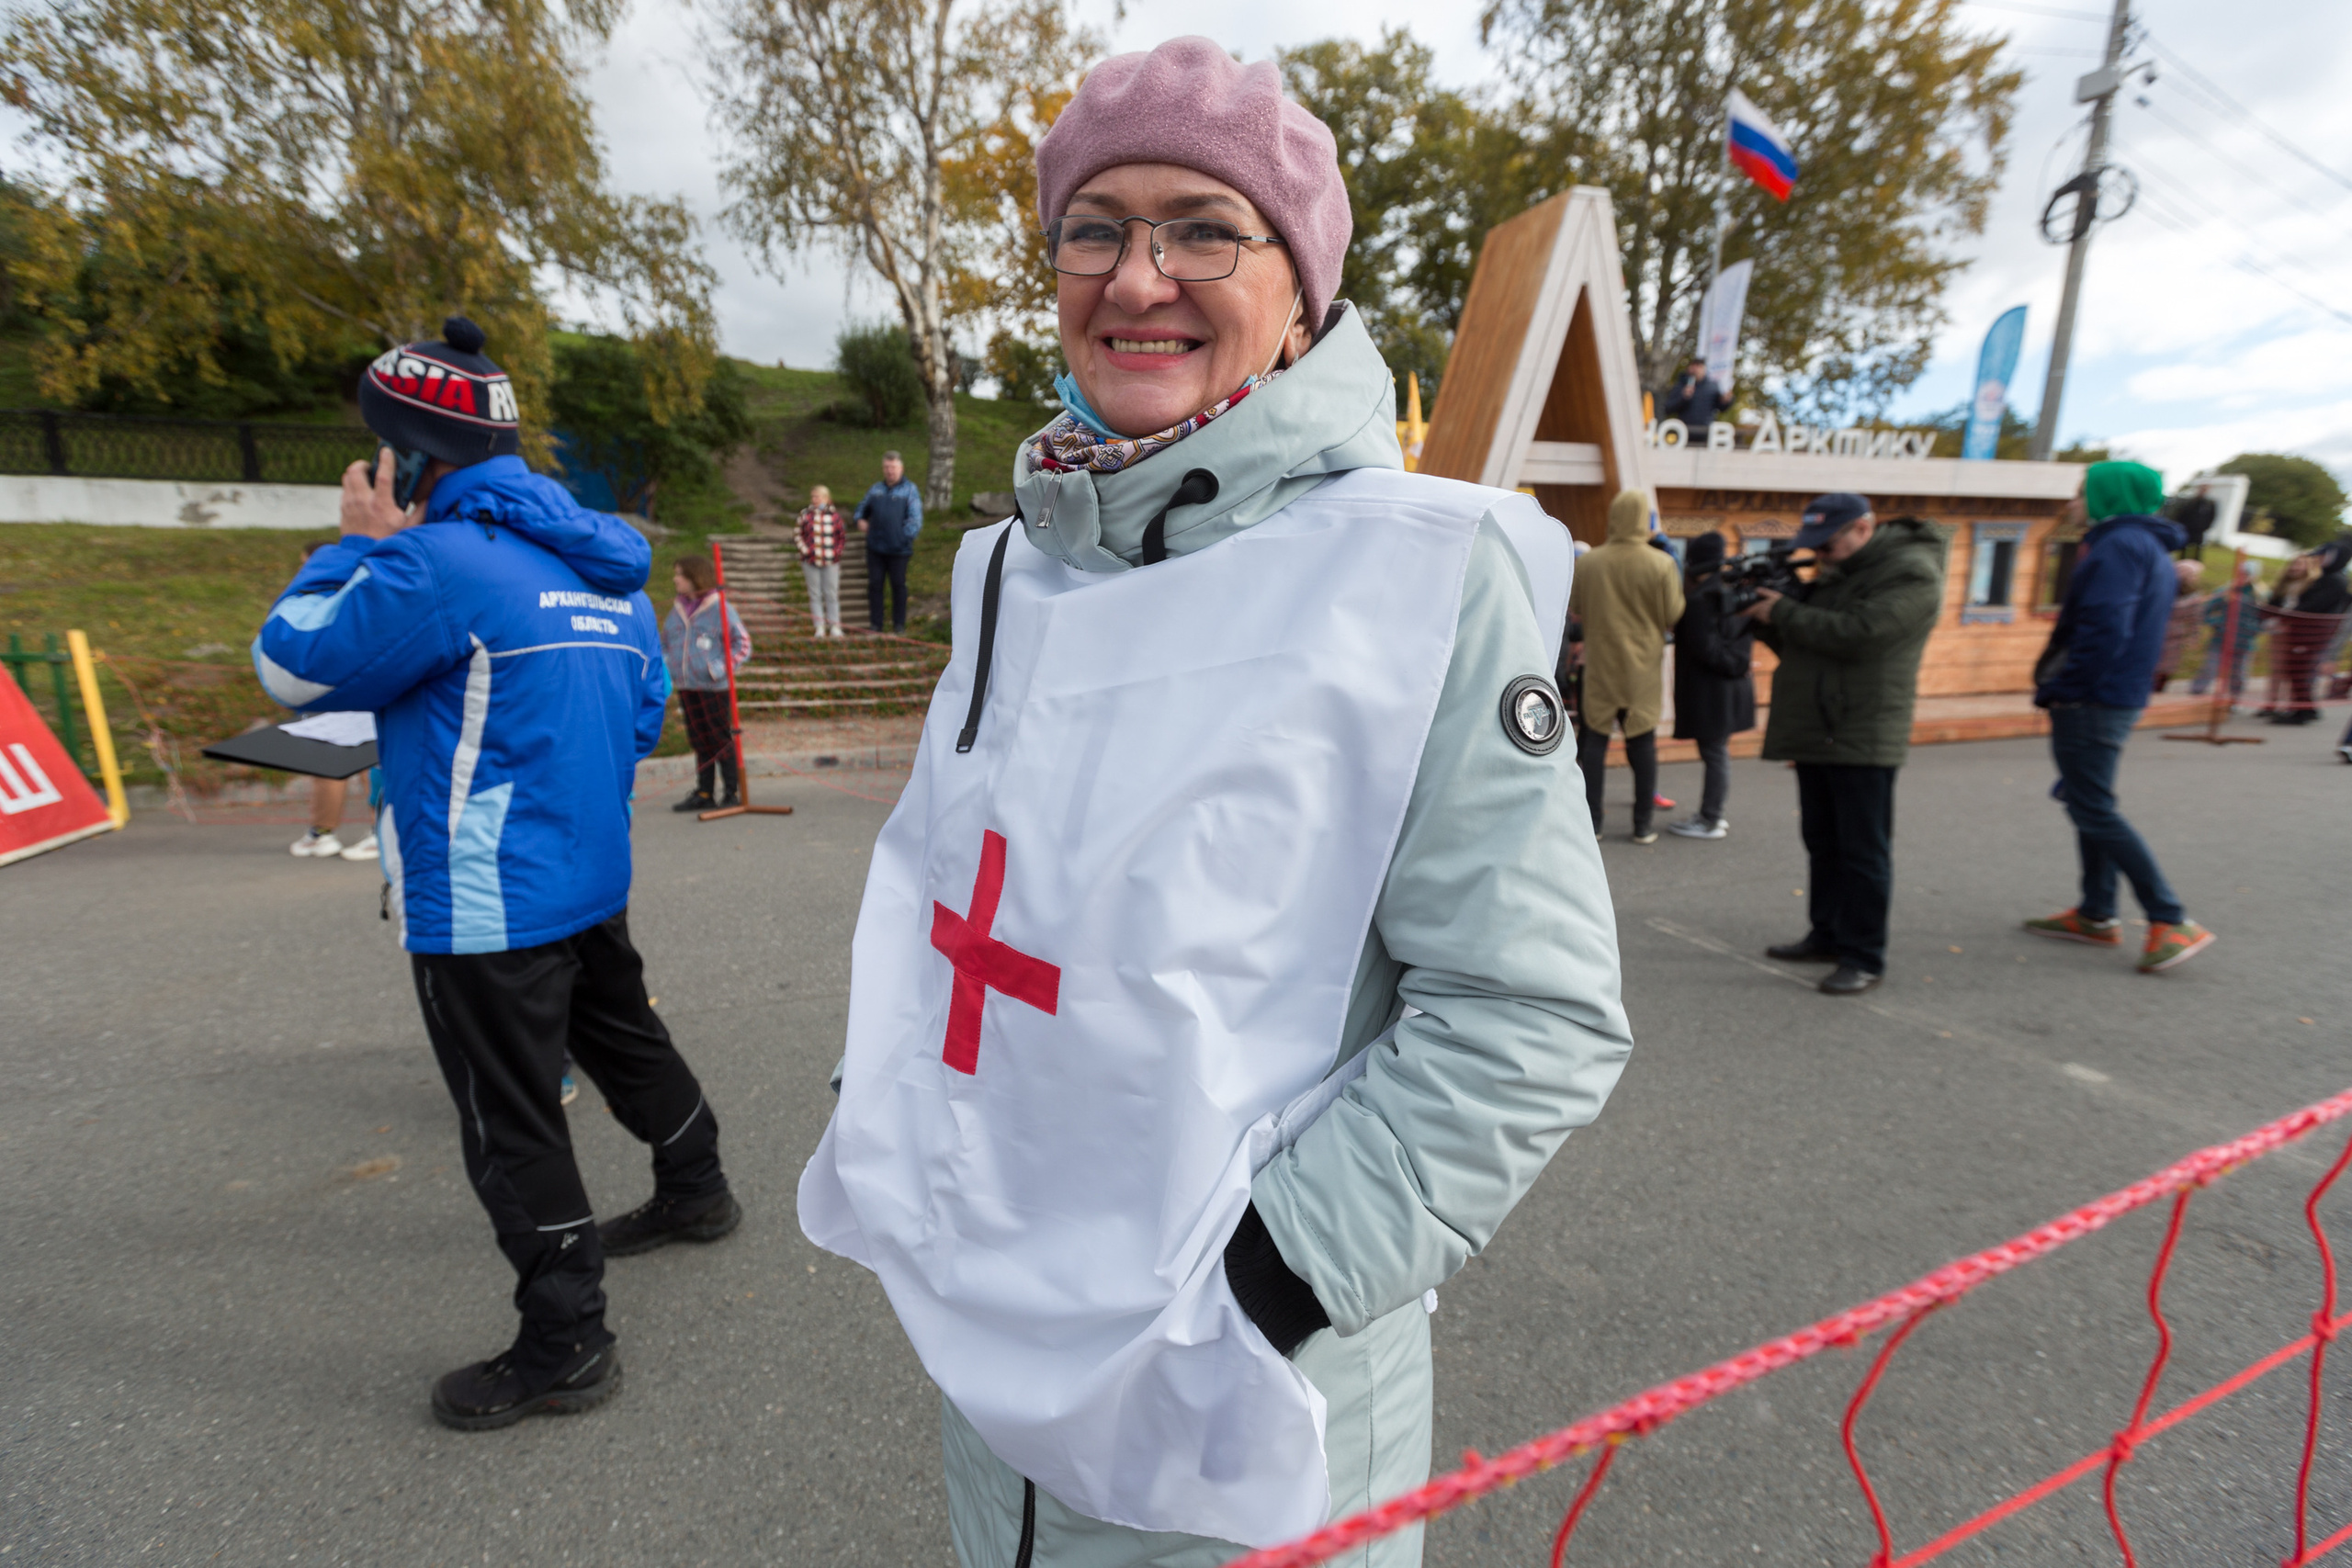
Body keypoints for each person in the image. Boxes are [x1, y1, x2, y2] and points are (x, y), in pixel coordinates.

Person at [797, 39, 1632, 1568]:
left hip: (1248, 1389)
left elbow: (1531, 1012)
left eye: (1203, 228)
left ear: (1301, 288)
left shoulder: (1419, 578)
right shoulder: (1009, 564)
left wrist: (1265, 1285)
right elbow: (957, 896)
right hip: (1000, 1356)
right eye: (1094, 228)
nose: (1138, 277)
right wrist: (894, 1100)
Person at [251, 317, 741, 1433]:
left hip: (483, 897)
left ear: (408, 457)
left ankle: (567, 1341)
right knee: (627, 1041)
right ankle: (696, 1188)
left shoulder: (430, 564)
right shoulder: (607, 572)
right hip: (587, 870)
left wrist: (355, 544)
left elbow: (289, 665)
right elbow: (642, 720)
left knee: (508, 1119)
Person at [1743, 491, 1946, 997]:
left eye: (1827, 543)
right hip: (1822, 724)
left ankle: (1864, 955)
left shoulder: (1911, 572)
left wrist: (1785, 612)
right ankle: (1827, 935)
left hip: (1863, 729)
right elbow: (1809, 645)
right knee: (1823, 841)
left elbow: (1863, 634)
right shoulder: (1842, 571)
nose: (1821, 553)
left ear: (1863, 528)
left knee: (1862, 851)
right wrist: (1764, 620)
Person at [2021, 462, 2213, 974]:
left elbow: (2106, 625)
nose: (2072, 503)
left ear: (2108, 496)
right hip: (2114, 694)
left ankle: (2169, 917)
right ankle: (2096, 912)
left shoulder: (2117, 546)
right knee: (2088, 802)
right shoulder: (2145, 545)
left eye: (2081, 493)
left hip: (2094, 698)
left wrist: (2066, 688)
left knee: (2093, 808)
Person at [1568, 488, 1683, 841]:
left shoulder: (1590, 562)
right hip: (1642, 667)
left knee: (1594, 742)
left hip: (1600, 663)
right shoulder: (1661, 563)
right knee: (1642, 742)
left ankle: (1593, 823)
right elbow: (1673, 613)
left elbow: (1576, 608)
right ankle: (1642, 824)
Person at [1667, 531, 1755, 838]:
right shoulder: (1734, 592)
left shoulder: (1699, 600)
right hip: (1731, 688)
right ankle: (1713, 814)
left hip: (1709, 691)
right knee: (1718, 753)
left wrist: (1732, 664)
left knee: (1715, 754)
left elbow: (1705, 648)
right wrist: (1739, 665)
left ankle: (1710, 818)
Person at [662, 553, 752, 813]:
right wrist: (668, 665)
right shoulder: (677, 610)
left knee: (719, 739)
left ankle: (731, 792)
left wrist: (718, 669)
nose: (675, 579)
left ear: (695, 577)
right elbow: (664, 643)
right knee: (698, 739)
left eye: (680, 574)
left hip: (713, 687)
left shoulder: (720, 607)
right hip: (687, 685)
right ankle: (704, 792)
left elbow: (742, 644)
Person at [2262, 543, 2352, 725]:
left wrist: (2288, 615)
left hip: (2313, 634)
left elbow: (2313, 607)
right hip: (2303, 632)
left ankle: (2303, 710)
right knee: (2297, 671)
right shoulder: (2320, 578)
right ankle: (2305, 708)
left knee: (2301, 671)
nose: (2318, 559)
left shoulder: (2335, 581)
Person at [855, 451, 923, 633]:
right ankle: (875, 624)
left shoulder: (910, 490)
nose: (890, 471)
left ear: (901, 468)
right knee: (875, 585)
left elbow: (915, 520)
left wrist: (902, 538)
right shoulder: (875, 490)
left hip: (899, 550)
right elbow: (861, 509)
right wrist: (860, 520)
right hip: (875, 548)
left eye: (893, 467)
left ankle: (898, 624)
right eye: (887, 467)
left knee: (898, 585)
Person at [2189, 558, 2262, 704]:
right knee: (2210, 668)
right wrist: (2217, 623)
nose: (2244, 576)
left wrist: (2253, 629)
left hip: (2244, 642)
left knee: (2239, 674)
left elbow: (2265, 618)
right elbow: (2205, 611)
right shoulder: (2225, 592)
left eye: (2248, 574)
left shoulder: (2260, 595)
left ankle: (2233, 700)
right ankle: (2195, 695)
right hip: (2221, 639)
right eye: (2241, 573)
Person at [797, 484, 849, 638]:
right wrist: (805, 550)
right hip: (810, 561)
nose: (814, 499)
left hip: (831, 561)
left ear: (826, 498)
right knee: (814, 594)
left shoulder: (835, 517)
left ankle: (835, 626)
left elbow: (841, 537)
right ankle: (819, 627)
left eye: (817, 496)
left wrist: (836, 552)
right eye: (813, 497)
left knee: (831, 594)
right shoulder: (805, 515)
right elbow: (797, 534)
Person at [2153, 559, 2205, 691]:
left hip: (2175, 637)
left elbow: (2195, 618)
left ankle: (2158, 689)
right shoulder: (2163, 587)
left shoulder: (2193, 596)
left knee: (2166, 667)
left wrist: (2194, 636)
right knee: (2153, 663)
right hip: (2156, 632)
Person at [1661, 356, 1726, 440]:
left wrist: (1726, 401)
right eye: (1694, 366)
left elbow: (1721, 408)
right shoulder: (1680, 386)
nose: (1696, 370)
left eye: (1699, 367)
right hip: (1684, 432)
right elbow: (1668, 408)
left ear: (1704, 369)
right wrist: (1683, 397)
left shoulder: (1713, 387)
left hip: (1705, 433)